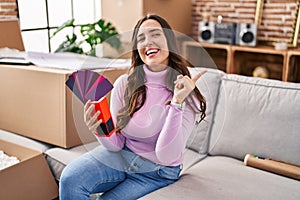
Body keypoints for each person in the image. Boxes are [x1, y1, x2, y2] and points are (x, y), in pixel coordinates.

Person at [59, 14, 207, 200]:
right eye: (141, 38)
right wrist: (101, 131)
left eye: (155, 35)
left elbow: (166, 155)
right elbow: (117, 144)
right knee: (70, 179)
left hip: (157, 173)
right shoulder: (125, 84)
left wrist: (177, 102)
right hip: (122, 155)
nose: (148, 42)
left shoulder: (187, 94)